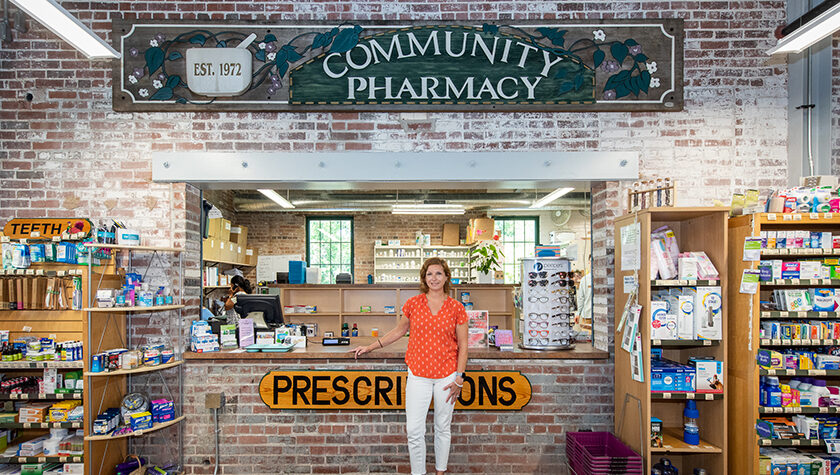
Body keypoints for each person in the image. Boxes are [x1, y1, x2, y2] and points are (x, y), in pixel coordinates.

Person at [352, 257, 468, 475]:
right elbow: (398, 331)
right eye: (429, 274)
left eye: (438, 273)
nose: (434, 278)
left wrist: (459, 377)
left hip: (447, 376)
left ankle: (440, 472)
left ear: (446, 277)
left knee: (443, 428)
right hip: (418, 374)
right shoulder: (414, 304)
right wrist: (370, 347)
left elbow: (463, 345)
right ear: (424, 278)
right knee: (415, 430)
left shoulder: (456, 308)